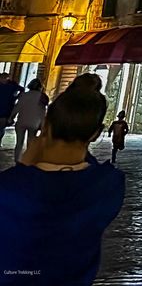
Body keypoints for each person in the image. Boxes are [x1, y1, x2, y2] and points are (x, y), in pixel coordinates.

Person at [0, 78, 126, 285]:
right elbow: (91, 172)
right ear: (96, 133)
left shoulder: (9, 189)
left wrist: (26, 163)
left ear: (47, 124)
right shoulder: (110, 186)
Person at [14, 79, 49, 157]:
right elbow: (42, 112)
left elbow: (17, 107)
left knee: (19, 143)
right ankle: (28, 160)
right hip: (34, 123)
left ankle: (17, 160)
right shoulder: (43, 97)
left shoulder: (24, 95)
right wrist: (43, 124)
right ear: (40, 87)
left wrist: (11, 117)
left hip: (21, 121)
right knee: (30, 143)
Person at [0, 71, 21, 149]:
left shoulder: (11, 86)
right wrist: (15, 97)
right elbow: (22, 90)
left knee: (1, 128)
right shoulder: (12, 86)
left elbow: (21, 90)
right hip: (6, 110)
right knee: (1, 128)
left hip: (5, 111)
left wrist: (15, 98)